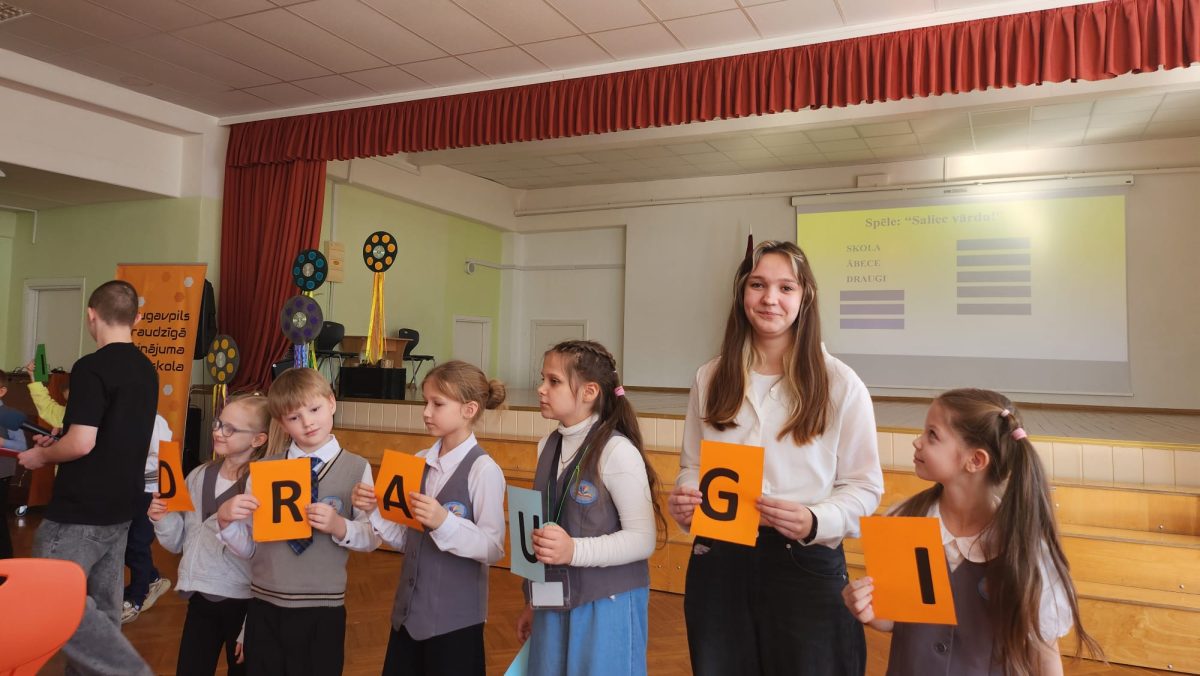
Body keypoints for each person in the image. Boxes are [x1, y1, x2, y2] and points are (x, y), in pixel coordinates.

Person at [667, 240, 884, 675]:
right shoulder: (709, 377)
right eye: (757, 285)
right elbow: (693, 466)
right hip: (720, 560)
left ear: (805, 297)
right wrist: (687, 497)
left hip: (806, 564)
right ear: (741, 293)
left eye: (786, 287)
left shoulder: (841, 384)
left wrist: (815, 520)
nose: (770, 298)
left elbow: (865, 488)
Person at [842, 389, 1101, 676]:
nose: (917, 441)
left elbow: (1044, 655)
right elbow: (895, 620)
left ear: (976, 460)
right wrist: (870, 612)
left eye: (932, 435)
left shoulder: (1023, 545)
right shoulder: (903, 519)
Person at [19, 279, 158, 675]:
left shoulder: (91, 367)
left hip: (80, 510)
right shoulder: (146, 369)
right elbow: (107, 434)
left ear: (91, 316)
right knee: (104, 612)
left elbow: (82, 443)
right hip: (121, 507)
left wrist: (42, 455)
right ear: (137, 319)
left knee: (52, 600)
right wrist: (58, 440)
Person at [217, 367, 381, 675]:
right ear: (281, 423)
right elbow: (250, 548)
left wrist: (339, 526)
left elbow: (373, 537)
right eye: (294, 417)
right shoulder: (264, 470)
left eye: (315, 409)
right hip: (266, 605)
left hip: (323, 607)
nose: (307, 423)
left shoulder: (357, 468)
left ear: (331, 403)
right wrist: (226, 523)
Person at [515, 340, 664, 676]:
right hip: (553, 601)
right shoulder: (546, 445)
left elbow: (643, 540)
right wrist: (532, 603)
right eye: (542, 379)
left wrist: (573, 550)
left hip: (606, 603)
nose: (541, 389)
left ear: (589, 391)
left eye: (553, 381)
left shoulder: (617, 451)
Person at [351, 361, 507, 676]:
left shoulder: (484, 470)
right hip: (407, 618)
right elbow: (405, 540)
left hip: (456, 624)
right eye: (425, 402)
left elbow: (493, 548)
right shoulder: (417, 461)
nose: (426, 412)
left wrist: (443, 521)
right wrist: (372, 509)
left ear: (469, 409)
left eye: (437, 404)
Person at [149, 393, 272, 676]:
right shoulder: (198, 475)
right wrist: (161, 518)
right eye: (218, 423)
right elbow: (178, 542)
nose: (217, 432)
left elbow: (265, 556)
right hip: (200, 596)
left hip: (244, 603)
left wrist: (252, 624)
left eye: (230, 428)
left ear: (258, 439)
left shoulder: (263, 485)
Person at [122, 413, 173, 623]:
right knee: (125, 543)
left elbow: (160, 453)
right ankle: (152, 579)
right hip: (128, 487)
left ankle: (137, 597)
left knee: (137, 544)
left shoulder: (155, 420)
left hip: (149, 490)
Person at [0, 370, 28, 559]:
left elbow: (22, 446)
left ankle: (5, 561)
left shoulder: (10, 416)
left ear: (2, 391)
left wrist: (2, 442)